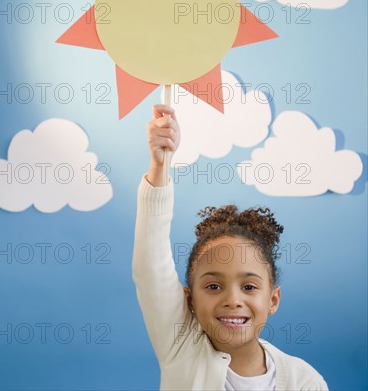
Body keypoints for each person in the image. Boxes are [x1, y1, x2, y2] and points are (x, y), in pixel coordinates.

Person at [132, 104, 329, 390]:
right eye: (213, 286)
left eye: (249, 287)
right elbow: (150, 265)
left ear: (273, 300)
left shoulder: (305, 381)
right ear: (189, 300)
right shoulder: (180, 347)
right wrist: (160, 167)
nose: (232, 300)